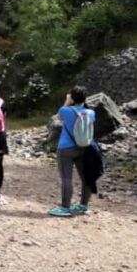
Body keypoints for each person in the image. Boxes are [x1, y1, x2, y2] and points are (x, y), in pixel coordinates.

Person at [48, 86, 96, 217]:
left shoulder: (65, 110)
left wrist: (67, 101)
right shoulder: (91, 113)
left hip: (66, 148)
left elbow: (57, 119)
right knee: (85, 177)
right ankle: (83, 205)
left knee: (66, 178)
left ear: (72, 97)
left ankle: (65, 207)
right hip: (84, 148)